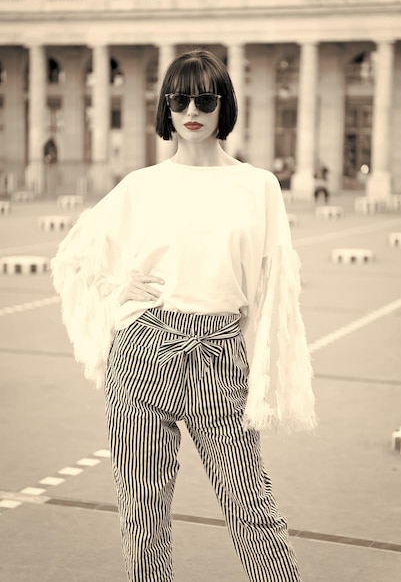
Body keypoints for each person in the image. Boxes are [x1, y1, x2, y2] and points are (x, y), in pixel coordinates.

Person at [51, 49, 316, 582]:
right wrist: (121, 284)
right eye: (178, 98)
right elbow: (74, 256)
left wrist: (262, 375)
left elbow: (272, 287)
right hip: (145, 353)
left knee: (252, 510)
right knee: (143, 516)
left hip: (221, 356)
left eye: (205, 98)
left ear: (224, 105)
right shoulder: (142, 185)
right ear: (166, 108)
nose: (191, 109)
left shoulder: (259, 185)